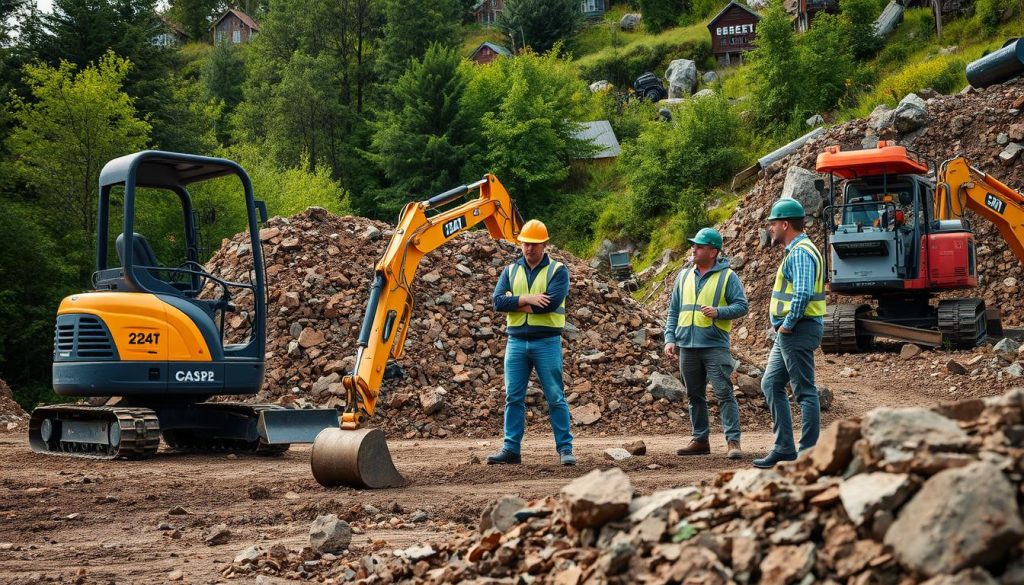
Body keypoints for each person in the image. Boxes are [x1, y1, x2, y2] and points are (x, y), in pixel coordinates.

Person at [486, 219, 575, 466]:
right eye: (525, 244)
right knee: (513, 397)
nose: (529, 249)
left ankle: (565, 449)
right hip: (515, 341)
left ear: (545, 244)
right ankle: (511, 449)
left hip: (546, 341)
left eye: (535, 244)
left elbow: (551, 303)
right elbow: (497, 303)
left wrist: (515, 302)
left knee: (555, 396)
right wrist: (528, 299)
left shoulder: (558, 271)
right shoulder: (510, 270)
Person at [754, 199, 827, 469]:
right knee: (770, 383)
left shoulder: (800, 252)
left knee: (804, 391)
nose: (770, 228)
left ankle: (807, 454)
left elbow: (804, 292)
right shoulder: (796, 250)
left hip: (797, 328)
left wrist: (787, 323)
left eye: (773, 223)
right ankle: (784, 447)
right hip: (792, 330)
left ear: (785, 224)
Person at [664, 227, 749, 459]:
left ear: (713, 251)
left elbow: (742, 306)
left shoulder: (728, 277)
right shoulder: (683, 276)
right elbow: (673, 311)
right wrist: (669, 338)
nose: (694, 249)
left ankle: (733, 441)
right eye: (694, 245)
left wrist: (719, 312)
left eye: (699, 246)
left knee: (724, 393)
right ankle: (700, 440)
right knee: (694, 395)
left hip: (714, 346)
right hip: (687, 347)